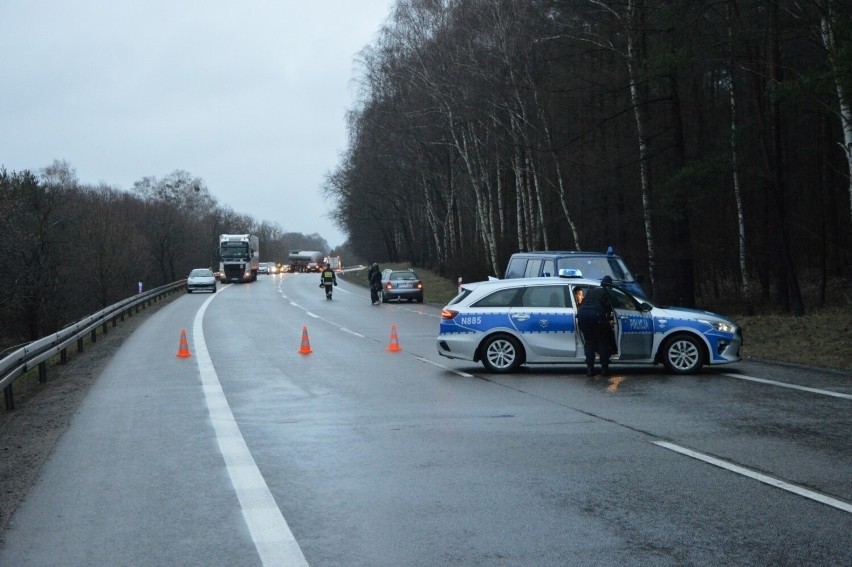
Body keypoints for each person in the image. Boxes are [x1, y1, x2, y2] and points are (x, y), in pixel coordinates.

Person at [576, 276, 614, 376]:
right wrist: (609, 320)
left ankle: (590, 369)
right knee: (602, 341)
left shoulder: (592, 290)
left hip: (582, 315)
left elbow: (583, 303)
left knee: (589, 342)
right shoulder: (608, 291)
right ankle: (604, 369)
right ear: (610, 285)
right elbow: (611, 308)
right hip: (596, 316)